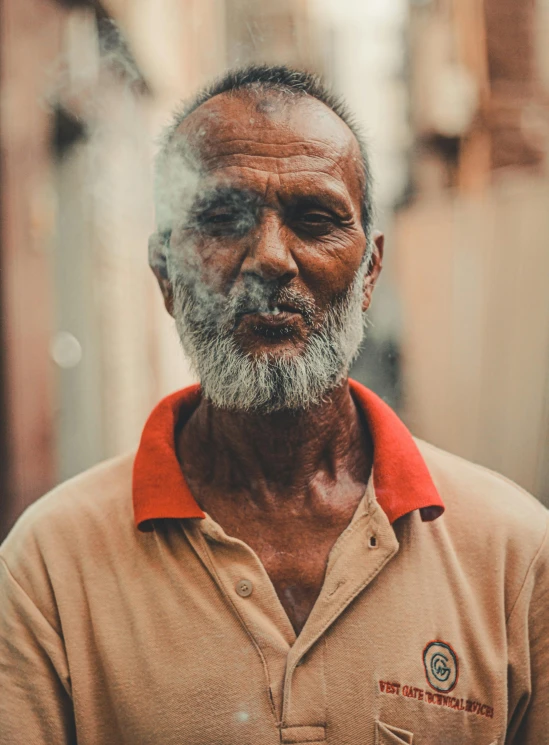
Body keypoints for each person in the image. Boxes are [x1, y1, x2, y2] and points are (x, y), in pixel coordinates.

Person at [0, 65, 547, 745]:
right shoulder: (50, 565)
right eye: (223, 219)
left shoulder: (512, 554)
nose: (270, 259)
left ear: (370, 270)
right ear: (165, 273)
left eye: (313, 220)